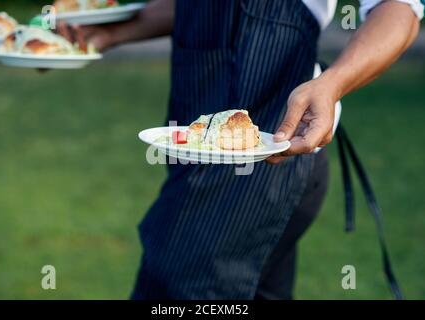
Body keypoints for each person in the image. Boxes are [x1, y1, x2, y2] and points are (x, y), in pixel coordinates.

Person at [61, 0, 422, 299]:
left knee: (173, 291)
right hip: (194, 160)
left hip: (272, 164)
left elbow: (400, 8)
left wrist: (332, 84)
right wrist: (112, 32)